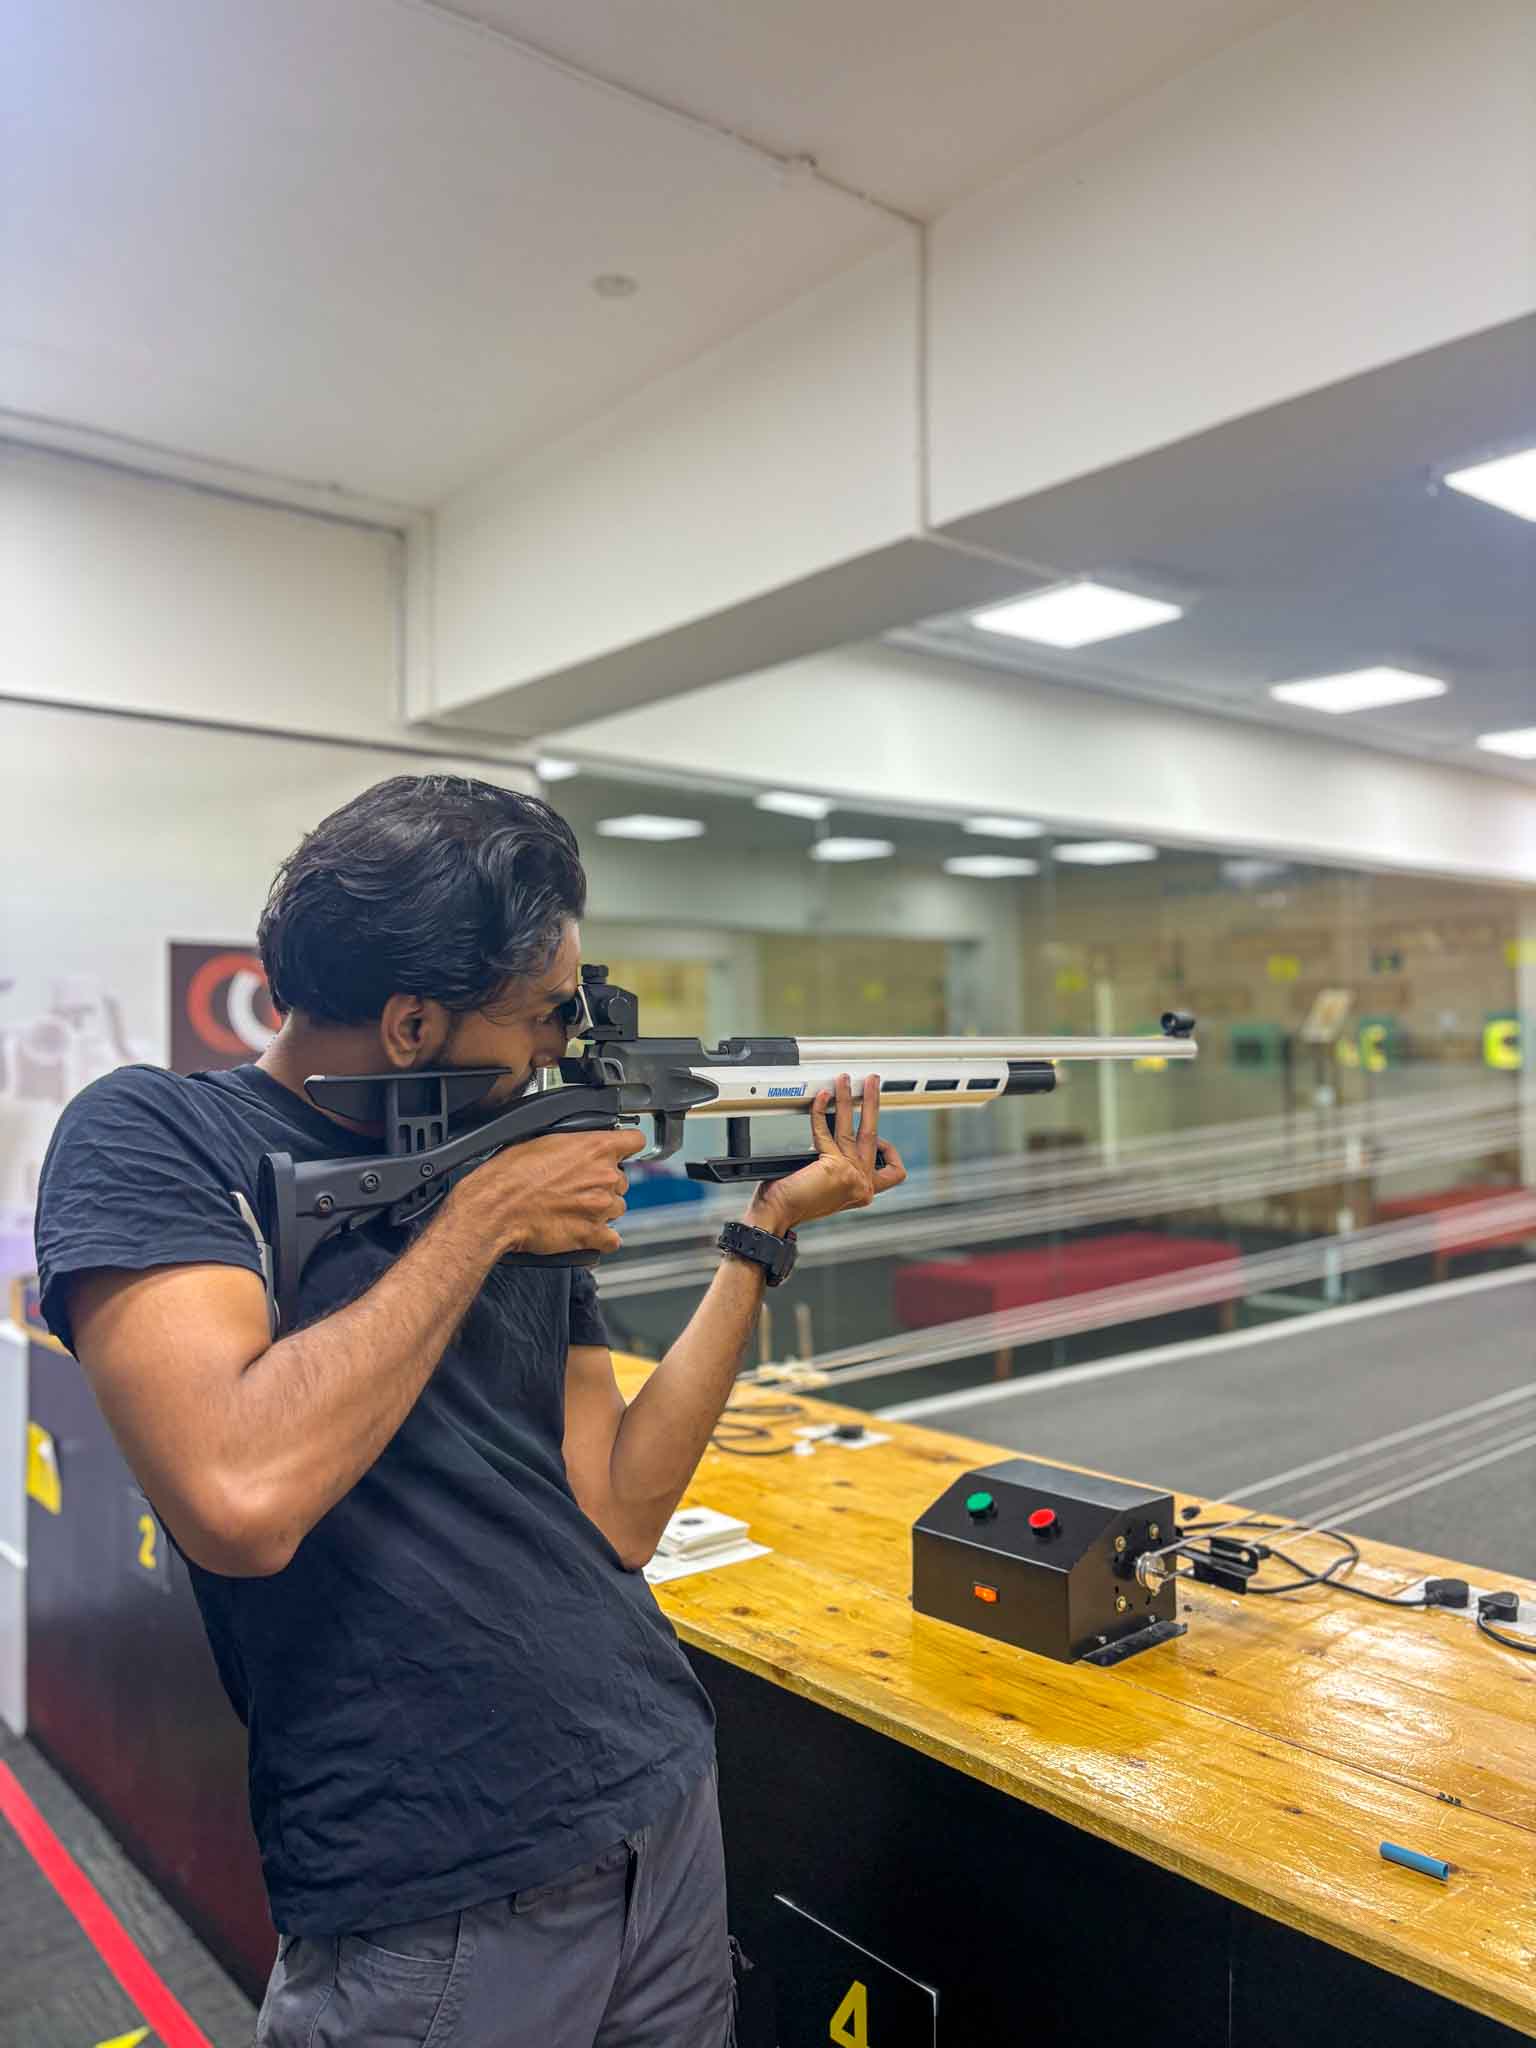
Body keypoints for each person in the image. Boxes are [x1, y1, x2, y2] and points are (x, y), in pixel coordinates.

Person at [32, 774, 906, 2047]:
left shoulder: (498, 1153)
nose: (565, 1045)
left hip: (655, 1802)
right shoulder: (158, 1136)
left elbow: (620, 1510)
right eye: (545, 1016)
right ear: (407, 1024)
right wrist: (484, 1216)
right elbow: (238, 1495)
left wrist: (761, 1236)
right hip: (432, 1886)